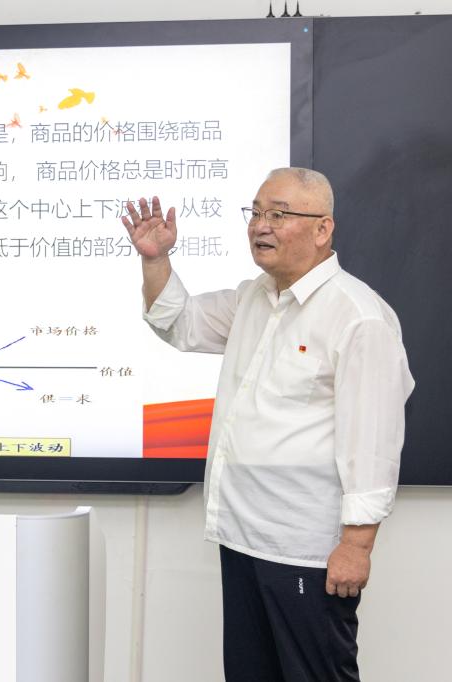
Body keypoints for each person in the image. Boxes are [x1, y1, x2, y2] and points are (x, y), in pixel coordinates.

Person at [122, 168, 414, 681]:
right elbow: (179, 322)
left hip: (305, 547)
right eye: (256, 212)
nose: (261, 225)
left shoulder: (358, 317)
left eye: (279, 214)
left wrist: (356, 546)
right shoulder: (255, 297)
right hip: (242, 536)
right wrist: (156, 259)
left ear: (322, 229)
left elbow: (373, 441)